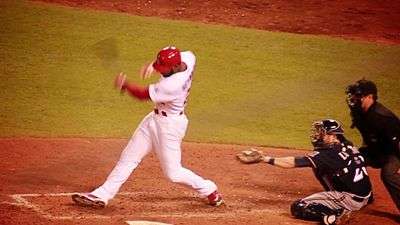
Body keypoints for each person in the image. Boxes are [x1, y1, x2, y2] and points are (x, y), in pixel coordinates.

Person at [72, 46, 223, 208]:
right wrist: (153, 65)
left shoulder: (172, 85)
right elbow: (186, 55)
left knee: (173, 173)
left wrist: (125, 85)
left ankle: (210, 190)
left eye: (162, 68)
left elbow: (142, 95)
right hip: (154, 119)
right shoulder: (188, 59)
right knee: (128, 157)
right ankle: (102, 194)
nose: (160, 70)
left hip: (169, 127)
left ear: (174, 67)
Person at [237, 119, 372, 225]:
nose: (317, 135)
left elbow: (293, 162)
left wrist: (264, 158)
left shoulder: (328, 154)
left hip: (349, 199)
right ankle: (359, 200)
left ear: (332, 136)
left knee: (299, 206)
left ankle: (335, 215)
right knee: (324, 168)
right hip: (366, 194)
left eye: (322, 133)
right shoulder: (347, 144)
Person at [346, 79, 400, 211]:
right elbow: (368, 135)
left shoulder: (383, 118)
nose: (354, 98)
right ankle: (361, 196)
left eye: (358, 95)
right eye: (353, 94)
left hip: (394, 152)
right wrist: (359, 153)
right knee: (345, 159)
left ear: (370, 97)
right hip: (375, 151)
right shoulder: (358, 112)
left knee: (388, 174)